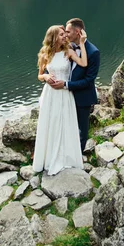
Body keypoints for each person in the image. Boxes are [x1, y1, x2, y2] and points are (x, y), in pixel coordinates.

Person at [32, 25, 87, 175]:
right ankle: (49, 158)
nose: (65, 37)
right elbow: (39, 75)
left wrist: (82, 43)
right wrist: (46, 77)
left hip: (64, 92)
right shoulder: (45, 55)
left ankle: (67, 157)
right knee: (53, 123)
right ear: (54, 37)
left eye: (65, 34)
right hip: (50, 94)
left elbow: (83, 63)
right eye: (61, 35)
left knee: (66, 123)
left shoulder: (68, 52)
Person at [50, 18, 100, 152]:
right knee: (64, 127)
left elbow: (89, 80)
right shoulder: (67, 46)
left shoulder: (93, 52)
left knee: (81, 130)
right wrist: (46, 76)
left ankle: (78, 159)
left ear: (77, 32)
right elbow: (50, 61)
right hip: (63, 96)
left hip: (82, 97)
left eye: (68, 31)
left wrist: (66, 84)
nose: (65, 34)